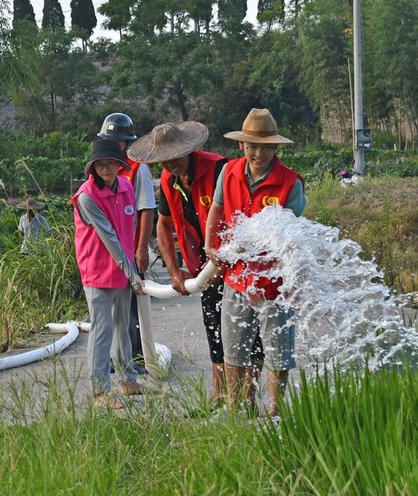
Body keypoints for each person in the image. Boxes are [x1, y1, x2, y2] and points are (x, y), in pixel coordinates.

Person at [128, 121, 264, 406]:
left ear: (190, 150)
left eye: (175, 157)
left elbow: (242, 215)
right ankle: (220, 398)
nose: (171, 164)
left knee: (244, 331)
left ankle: (246, 400)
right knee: (214, 327)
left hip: (236, 259)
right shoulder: (168, 180)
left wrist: (222, 261)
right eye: (164, 160)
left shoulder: (219, 171)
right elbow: (162, 226)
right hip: (205, 265)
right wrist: (175, 271)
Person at [204, 108, 306, 417]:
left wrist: (294, 281)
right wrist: (211, 244)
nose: (258, 153)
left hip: (274, 284)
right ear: (242, 146)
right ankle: (238, 411)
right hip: (237, 280)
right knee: (233, 350)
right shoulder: (229, 172)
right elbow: (217, 210)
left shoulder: (290, 183)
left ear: (275, 148)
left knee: (277, 354)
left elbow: (294, 237)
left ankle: (275, 413)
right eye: (252, 146)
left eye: (265, 147)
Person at [72, 138, 147, 408]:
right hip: (98, 271)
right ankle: (99, 391)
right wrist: (132, 273)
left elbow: (132, 226)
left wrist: (135, 266)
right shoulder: (86, 197)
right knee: (102, 330)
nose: (106, 169)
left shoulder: (126, 186)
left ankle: (128, 379)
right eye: (101, 165)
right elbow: (110, 237)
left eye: (111, 164)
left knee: (124, 327)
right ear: (93, 168)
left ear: (119, 165)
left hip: (124, 271)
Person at [97, 113, 156, 373]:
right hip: (108, 252)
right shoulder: (102, 168)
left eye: (117, 141)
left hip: (130, 250)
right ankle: (115, 357)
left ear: (126, 143)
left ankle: (136, 359)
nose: (113, 145)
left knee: (132, 307)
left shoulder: (137, 168)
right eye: (109, 140)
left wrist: (141, 249)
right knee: (110, 309)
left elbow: (146, 209)